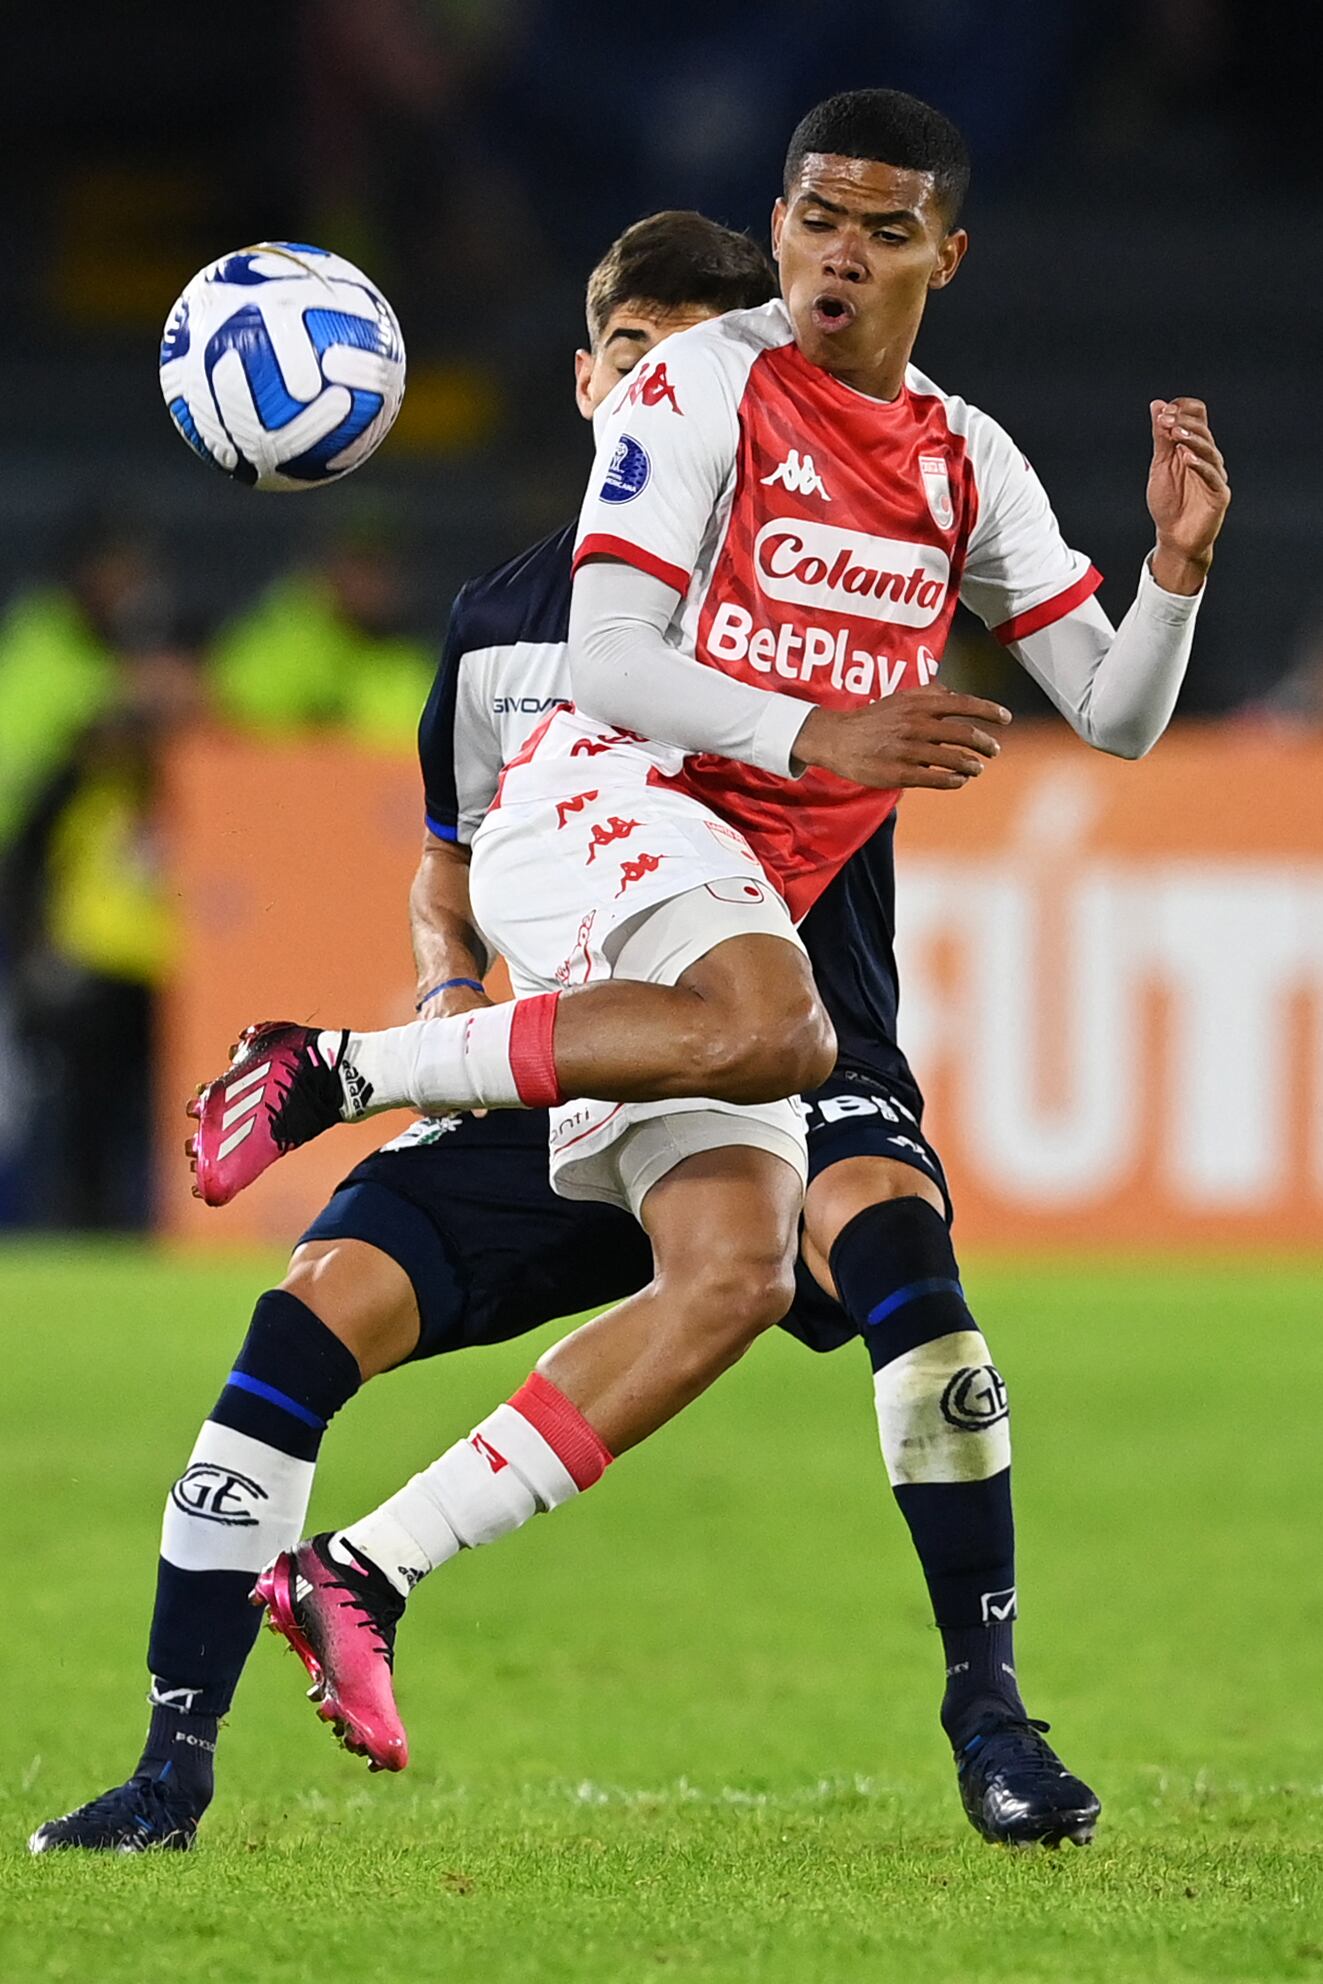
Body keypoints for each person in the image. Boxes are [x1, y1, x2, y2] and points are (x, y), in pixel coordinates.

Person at [186, 87, 1225, 1855]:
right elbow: (606, 657)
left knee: (735, 1277)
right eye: (817, 217)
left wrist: (1184, 576)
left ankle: (363, 1572)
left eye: (884, 231)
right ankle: (336, 1067)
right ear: (787, 218)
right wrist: (832, 730)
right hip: (605, 805)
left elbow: (1116, 718)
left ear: (942, 258)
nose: (838, 254)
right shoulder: (696, 382)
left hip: (728, 875)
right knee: (777, 1025)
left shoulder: (970, 463)